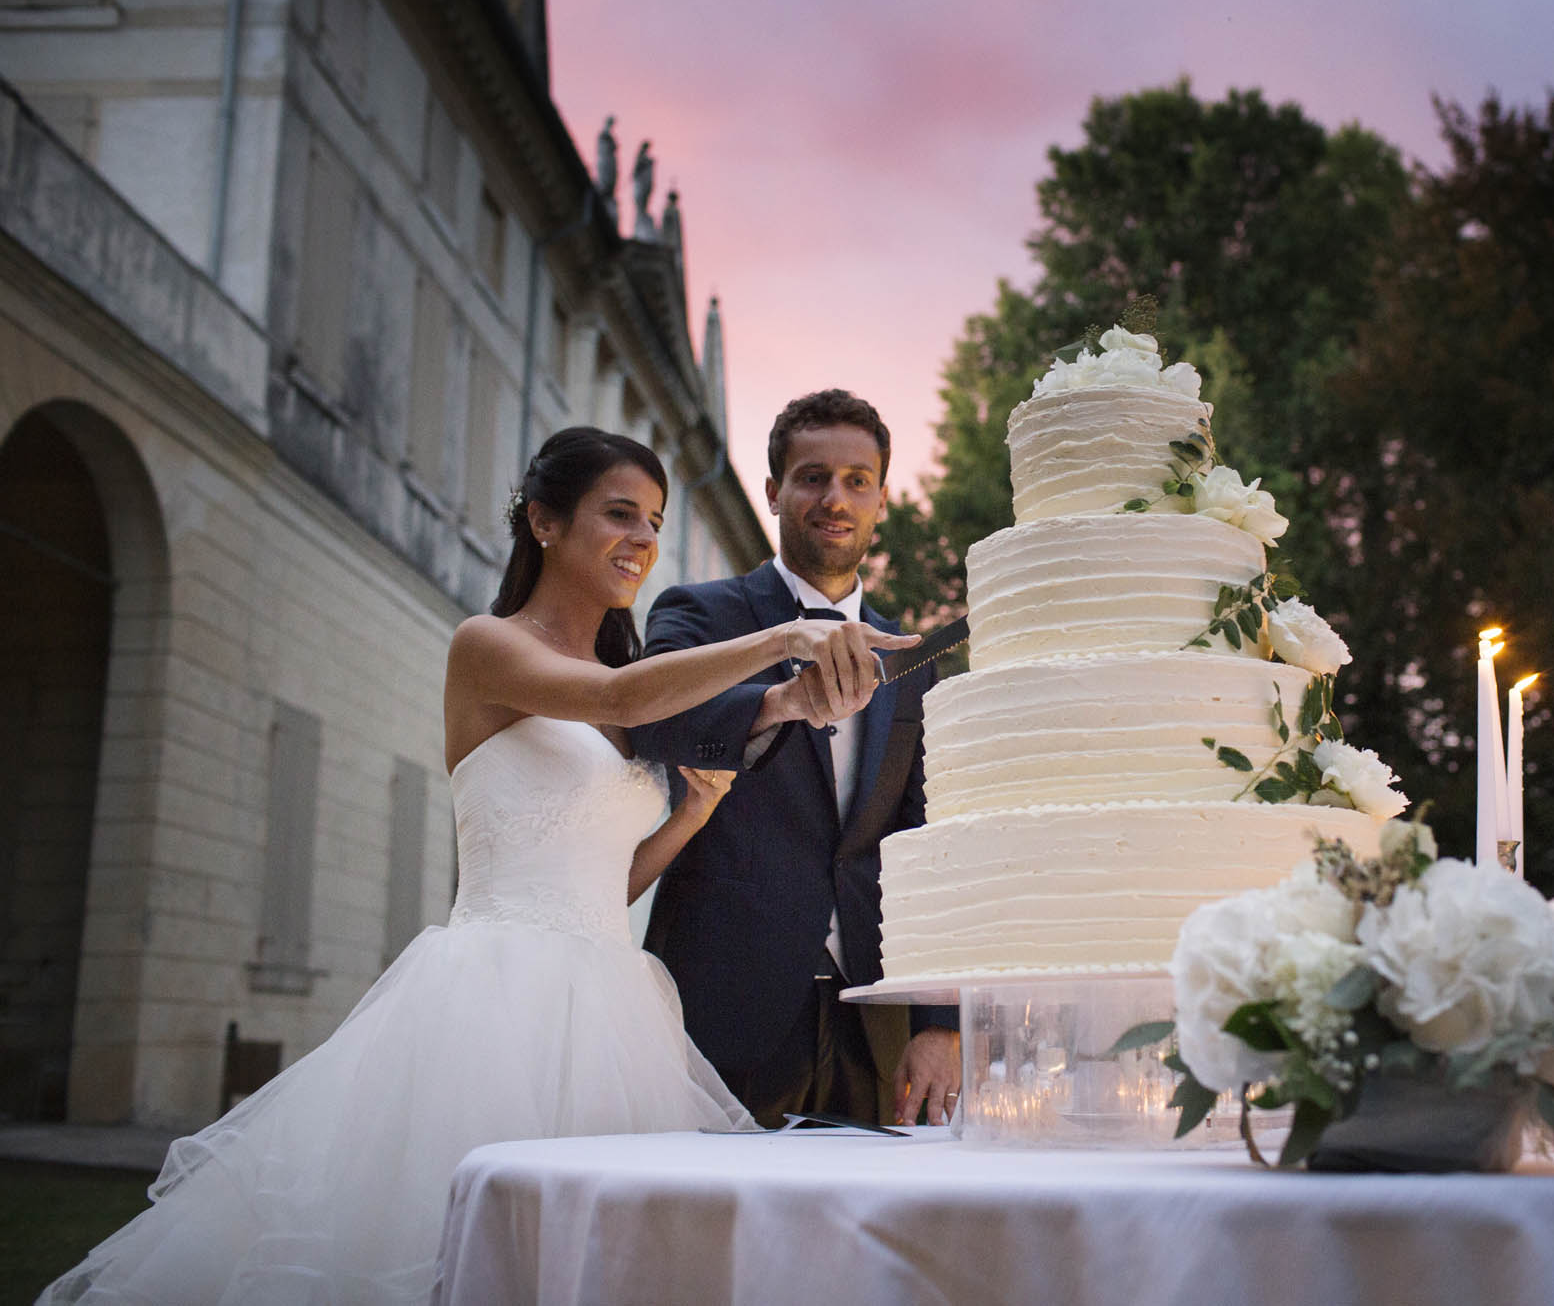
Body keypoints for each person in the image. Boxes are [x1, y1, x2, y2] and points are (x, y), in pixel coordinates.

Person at [39, 427, 916, 1305]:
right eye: (619, 514)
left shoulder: (618, 675)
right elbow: (619, 697)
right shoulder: (487, 647)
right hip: (494, 998)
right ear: (542, 520)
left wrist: (691, 813)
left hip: (612, 1004)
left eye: (653, 520)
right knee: (459, 1258)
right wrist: (783, 640)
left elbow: (605, 884)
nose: (644, 540)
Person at [635, 389, 960, 1128]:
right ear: (774, 491)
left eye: (857, 481)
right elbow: (655, 727)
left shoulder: (915, 656)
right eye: (812, 476)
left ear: (882, 500)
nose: (834, 498)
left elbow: (928, 844)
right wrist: (776, 699)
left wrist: (941, 1019)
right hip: (716, 1008)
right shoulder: (697, 613)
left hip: (870, 1020)